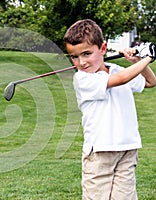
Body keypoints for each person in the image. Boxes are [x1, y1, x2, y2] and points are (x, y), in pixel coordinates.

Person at [63, 19, 156, 199]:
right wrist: (147, 58)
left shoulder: (117, 69)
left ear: (103, 49)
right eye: (74, 56)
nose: (81, 62)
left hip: (127, 149)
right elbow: (120, 80)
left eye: (87, 53)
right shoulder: (82, 79)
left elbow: (150, 82)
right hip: (99, 152)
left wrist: (138, 60)